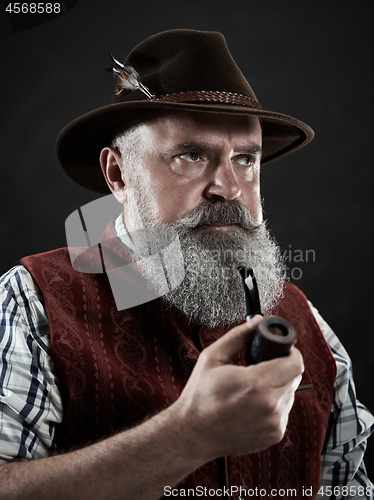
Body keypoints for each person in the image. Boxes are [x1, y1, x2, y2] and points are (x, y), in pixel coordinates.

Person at [0, 29, 372, 500]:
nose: (230, 188)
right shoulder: (31, 305)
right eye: (191, 156)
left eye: (246, 158)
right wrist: (184, 438)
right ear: (118, 174)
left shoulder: (309, 325)